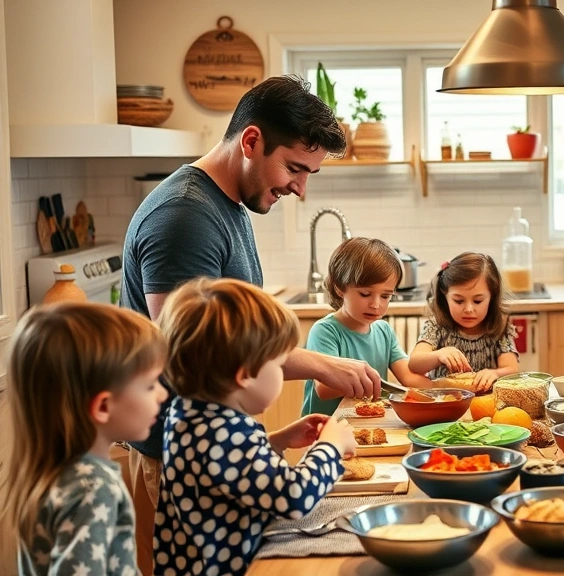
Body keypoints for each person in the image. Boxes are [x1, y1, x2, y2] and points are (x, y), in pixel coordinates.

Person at [119, 75, 379, 542]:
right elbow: (200, 358)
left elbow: (233, 344)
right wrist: (323, 365)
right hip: (181, 460)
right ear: (252, 141)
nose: (299, 189)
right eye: (295, 169)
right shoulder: (184, 218)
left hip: (220, 450)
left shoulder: (229, 202)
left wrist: (267, 441)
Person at [154, 278, 358, 575]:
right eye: (277, 365)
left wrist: (276, 440)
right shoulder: (223, 432)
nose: (282, 373)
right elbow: (293, 498)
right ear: (245, 376)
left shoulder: (191, 413)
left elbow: (224, 471)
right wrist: (331, 447)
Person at [2, 303, 167, 575]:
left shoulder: (54, 472)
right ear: (103, 407)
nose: (162, 395)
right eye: (151, 385)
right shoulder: (93, 488)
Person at [302, 238, 434, 416]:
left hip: (366, 425)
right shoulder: (325, 331)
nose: (376, 304)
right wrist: (369, 380)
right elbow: (324, 389)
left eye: (386, 296)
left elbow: (408, 377)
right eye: (365, 294)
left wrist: (448, 388)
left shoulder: (384, 331)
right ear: (339, 287)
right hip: (324, 431)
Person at [408, 252, 520, 392]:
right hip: (444, 405)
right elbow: (414, 364)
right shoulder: (436, 326)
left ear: (492, 296)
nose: (468, 309)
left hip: (485, 405)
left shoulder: (499, 326)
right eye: (459, 301)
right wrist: (438, 355)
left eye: (478, 301)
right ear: (445, 294)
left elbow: (512, 370)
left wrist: (495, 373)